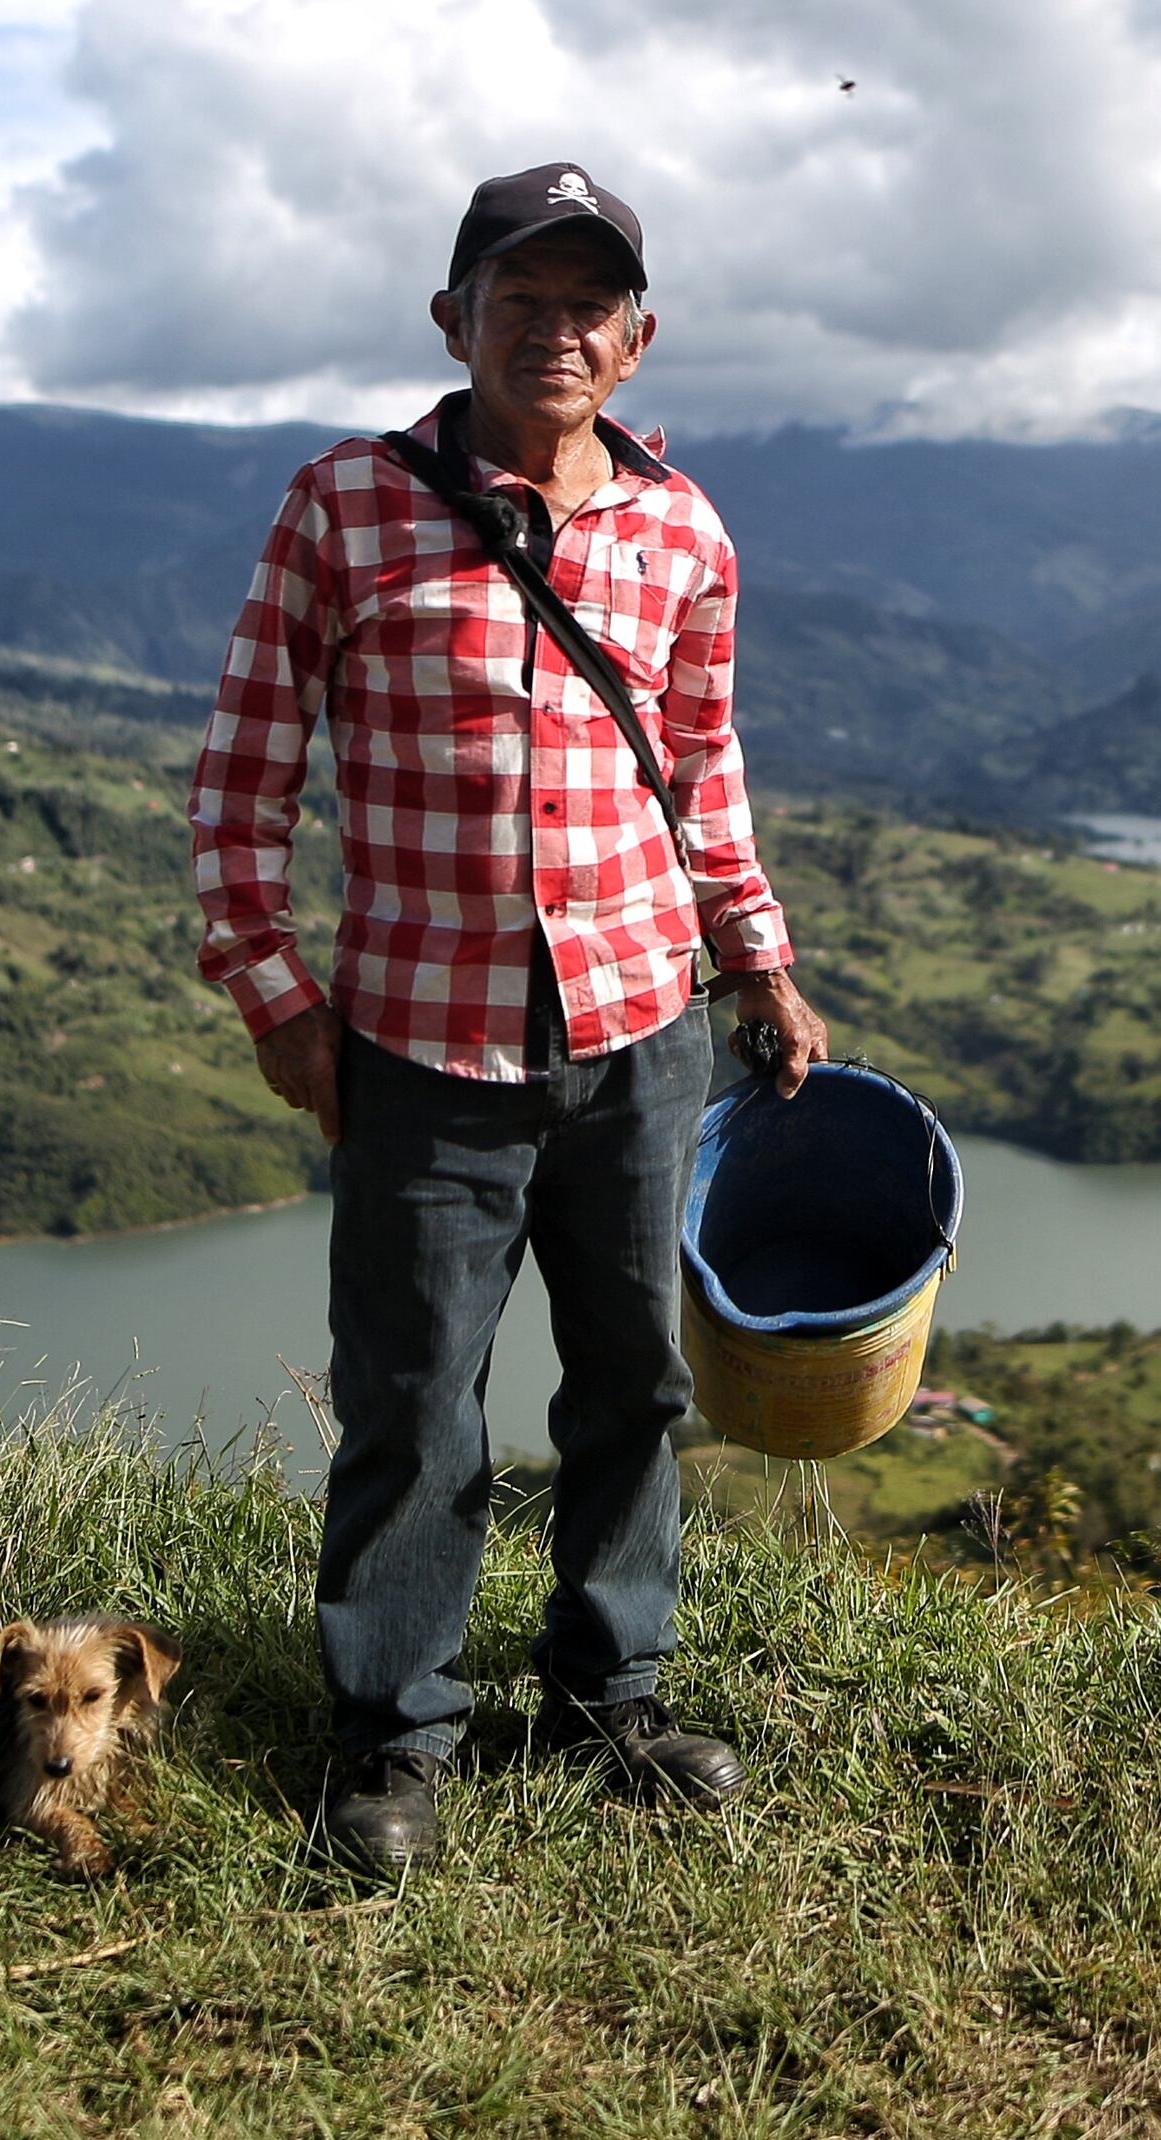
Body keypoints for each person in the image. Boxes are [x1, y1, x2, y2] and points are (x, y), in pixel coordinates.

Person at [187, 159, 831, 1876]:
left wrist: (758, 961)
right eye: (517, 298)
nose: (554, 330)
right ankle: (394, 1728)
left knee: (632, 1381)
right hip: (420, 1045)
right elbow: (240, 784)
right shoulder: (342, 506)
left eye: (586, 304)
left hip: (640, 1030)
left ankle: (611, 1685)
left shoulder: (683, 533)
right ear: (451, 321)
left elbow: (703, 774)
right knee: (415, 1401)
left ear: (634, 340)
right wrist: (275, 996)